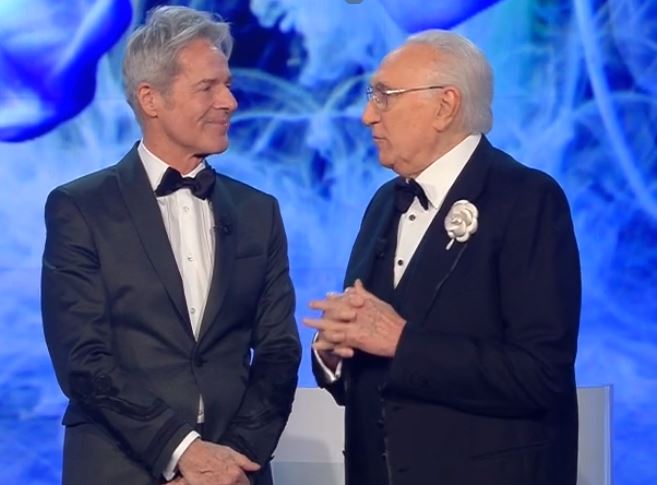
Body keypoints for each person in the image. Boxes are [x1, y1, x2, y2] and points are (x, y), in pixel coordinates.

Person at [305, 29, 581, 485]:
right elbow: (373, 370)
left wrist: (402, 342)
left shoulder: (527, 199)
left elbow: (540, 374)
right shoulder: (383, 204)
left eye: (385, 96)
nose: (367, 115)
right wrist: (336, 354)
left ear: (445, 106)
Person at [41, 6, 301, 485]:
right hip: (121, 468)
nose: (229, 101)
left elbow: (279, 352)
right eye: (208, 87)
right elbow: (83, 359)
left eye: (228, 84)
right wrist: (184, 452)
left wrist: (231, 461)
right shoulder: (80, 208)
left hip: (235, 472)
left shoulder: (258, 212)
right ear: (150, 99)